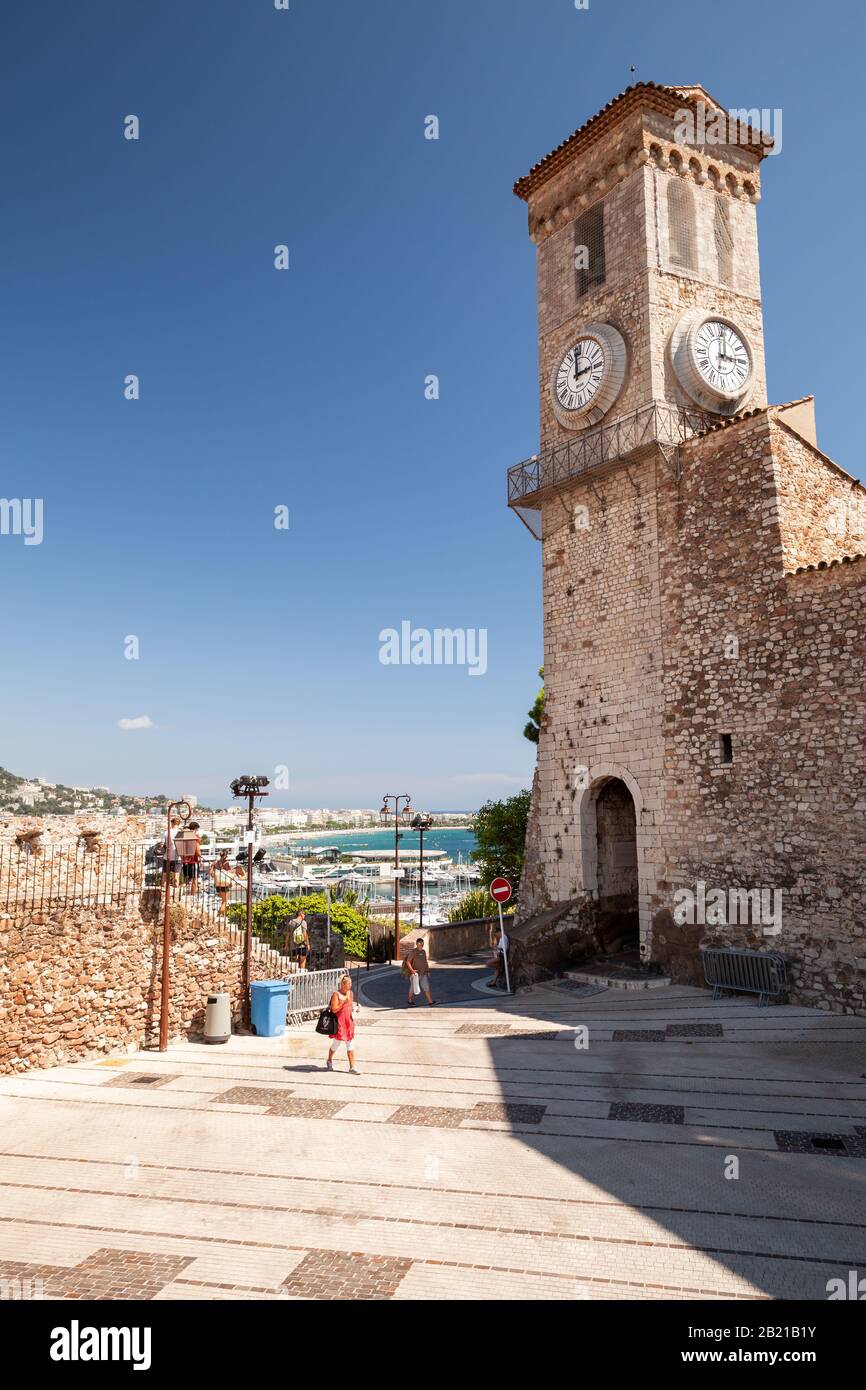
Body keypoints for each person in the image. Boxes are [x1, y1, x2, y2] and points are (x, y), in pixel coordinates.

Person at [325, 974, 359, 1074]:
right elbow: (334, 1009)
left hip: (348, 1023)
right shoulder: (336, 995)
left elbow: (350, 1006)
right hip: (339, 1024)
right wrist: (344, 1003)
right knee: (336, 1044)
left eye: (350, 983)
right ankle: (329, 1060)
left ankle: (352, 1067)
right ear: (342, 985)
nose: (350, 986)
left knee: (350, 1044)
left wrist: (354, 1008)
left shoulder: (351, 993)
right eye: (348, 984)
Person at [404, 937, 436, 1007]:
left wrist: (428, 971)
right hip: (415, 975)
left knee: (426, 987)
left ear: (423, 944)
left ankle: (430, 1002)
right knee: (413, 988)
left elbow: (425, 962)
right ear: (416, 944)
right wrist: (412, 971)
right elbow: (407, 962)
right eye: (419, 944)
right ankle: (409, 1000)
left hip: (423, 974)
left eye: (421, 944)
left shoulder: (423, 952)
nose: (420, 945)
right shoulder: (413, 952)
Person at [176, 821, 202, 895]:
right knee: (194, 879)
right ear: (196, 828)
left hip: (185, 860)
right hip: (193, 860)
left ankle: (182, 894)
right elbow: (197, 848)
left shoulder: (184, 836)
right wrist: (200, 856)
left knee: (187, 878)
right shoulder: (195, 837)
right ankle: (193, 895)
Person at [211, 848, 240, 914]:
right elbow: (228, 873)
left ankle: (221, 914)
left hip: (217, 885)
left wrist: (217, 876)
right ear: (225, 855)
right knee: (225, 901)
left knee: (222, 900)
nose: (227, 857)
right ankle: (220, 914)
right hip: (225, 884)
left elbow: (211, 873)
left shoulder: (215, 863)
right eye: (226, 856)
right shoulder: (226, 863)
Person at [162, 816, 182, 888]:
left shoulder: (166, 832)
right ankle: (175, 895)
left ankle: (163, 892)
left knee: (165, 876)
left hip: (167, 856)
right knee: (176, 877)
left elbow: (162, 845)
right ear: (179, 824)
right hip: (177, 856)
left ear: (171, 823)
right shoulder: (181, 833)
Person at [491, 925, 510, 990]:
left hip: (503, 956)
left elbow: (504, 949)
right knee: (496, 968)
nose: (496, 936)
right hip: (500, 955)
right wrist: (495, 947)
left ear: (499, 932)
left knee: (490, 963)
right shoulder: (501, 938)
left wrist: (498, 952)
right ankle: (494, 982)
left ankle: (500, 968)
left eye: (496, 934)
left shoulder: (504, 938)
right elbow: (499, 946)